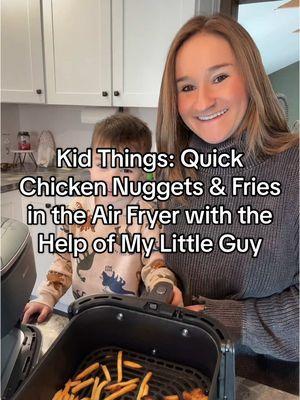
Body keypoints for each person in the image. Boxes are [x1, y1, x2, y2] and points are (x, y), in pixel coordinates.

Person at [156, 14, 299, 388]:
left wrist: (218, 319)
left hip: (264, 382)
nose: (202, 101)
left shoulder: (295, 168)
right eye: (186, 87)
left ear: (251, 77)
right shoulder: (172, 170)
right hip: (178, 370)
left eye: (219, 77)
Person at [22, 113, 180, 324]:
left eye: (126, 169)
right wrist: (46, 297)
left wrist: (163, 289)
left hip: (129, 320)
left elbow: (155, 266)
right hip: (81, 314)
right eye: (103, 165)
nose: (112, 177)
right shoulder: (76, 208)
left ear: (141, 171)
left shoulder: (146, 215)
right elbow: (64, 262)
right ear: (90, 163)